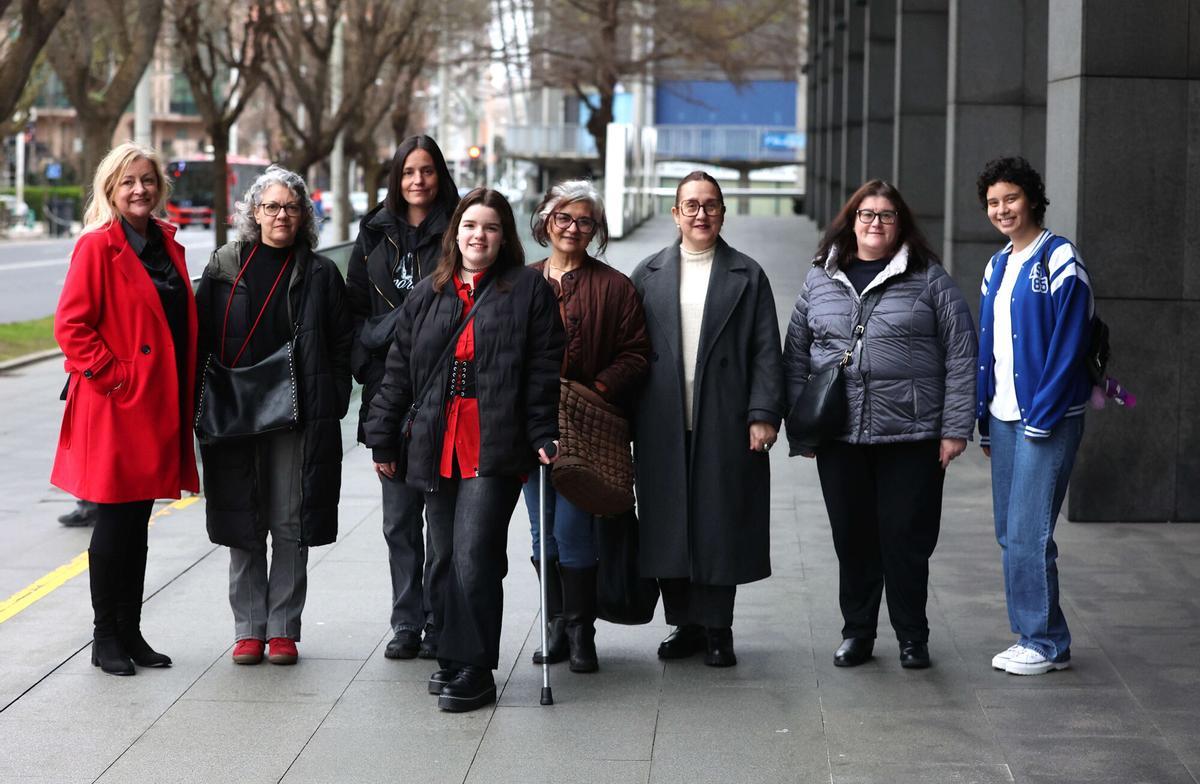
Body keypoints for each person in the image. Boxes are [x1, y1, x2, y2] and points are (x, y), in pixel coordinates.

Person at [364, 188, 564, 712]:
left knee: (476, 556)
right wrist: (382, 436)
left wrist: (544, 433)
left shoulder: (527, 291)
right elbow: (399, 374)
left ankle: (476, 668)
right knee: (445, 555)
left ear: (505, 237)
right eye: (471, 225)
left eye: (491, 227)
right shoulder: (430, 293)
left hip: (494, 442)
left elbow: (544, 372)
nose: (479, 236)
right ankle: (451, 654)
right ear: (456, 233)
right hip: (436, 440)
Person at [783, 179, 977, 670]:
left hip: (911, 435)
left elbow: (961, 353)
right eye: (866, 214)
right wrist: (803, 427)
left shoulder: (929, 277)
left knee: (905, 539)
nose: (875, 223)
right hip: (841, 435)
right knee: (852, 538)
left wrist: (955, 428)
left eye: (886, 215)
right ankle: (858, 634)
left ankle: (913, 636)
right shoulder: (820, 278)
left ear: (900, 224)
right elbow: (794, 357)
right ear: (850, 221)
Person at [195, 165, 352, 667]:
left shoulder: (321, 273)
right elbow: (198, 339)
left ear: (304, 214)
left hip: (297, 411)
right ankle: (247, 629)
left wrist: (335, 396)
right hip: (236, 409)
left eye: (290, 207)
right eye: (271, 207)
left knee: (289, 520)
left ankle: (282, 628)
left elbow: (341, 345)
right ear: (253, 213)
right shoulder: (223, 268)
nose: (281, 215)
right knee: (243, 516)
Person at [51, 141, 198, 675]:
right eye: (129, 181)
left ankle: (131, 630)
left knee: (138, 523)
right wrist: (117, 379)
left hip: (158, 401)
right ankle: (103, 635)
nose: (140, 190)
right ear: (110, 189)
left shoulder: (164, 241)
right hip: (117, 405)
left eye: (148, 180)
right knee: (114, 523)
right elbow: (71, 326)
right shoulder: (98, 245)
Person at [630, 171, 785, 668]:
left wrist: (763, 414)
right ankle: (685, 624)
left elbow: (766, 350)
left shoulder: (748, 274)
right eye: (691, 205)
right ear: (675, 213)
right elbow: (629, 350)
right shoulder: (647, 273)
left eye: (711, 205)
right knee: (669, 521)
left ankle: (718, 627)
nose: (701, 214)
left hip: (725, 415)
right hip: (661, 419)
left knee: (719, 521)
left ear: (723, 211)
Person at [524, 180, 650, 672]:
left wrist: (595, 390)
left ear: (595, 230)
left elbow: (637, 355)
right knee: (541, 532)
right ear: (546, 222)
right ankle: (555, 623)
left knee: (573, 528)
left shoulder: (615, 286)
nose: (572, 228)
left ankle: (581, 631)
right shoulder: (522, 282)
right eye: (564, 218)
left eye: (584, 221)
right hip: (532, 425)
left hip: (588, 428)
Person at [976, 157, 1091, 676]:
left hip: (1047, 418)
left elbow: (1071, 341)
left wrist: (1042, 413)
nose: (1002, 209)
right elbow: (989, 347)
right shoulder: (997, 265)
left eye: (1010, 198)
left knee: (1028, 532)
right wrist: (984, 415)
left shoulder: (1058, 257)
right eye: (993, 203)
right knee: (1012, 532)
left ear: (1032, 200)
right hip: (1003, 419)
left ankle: (1040, 640)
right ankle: (1049, 637)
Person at [347, 135, 459, 661]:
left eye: (428, 171)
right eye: (409, 171)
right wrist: (372, 356)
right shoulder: (373, 232)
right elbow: (352, 314)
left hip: (444, 392)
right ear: (396, 177)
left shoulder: (460, 227)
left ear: (440, 175)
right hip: (387, 392)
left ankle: (439, 620)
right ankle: (406, 622)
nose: (418, 181)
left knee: (440, 521)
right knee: (397, 521)